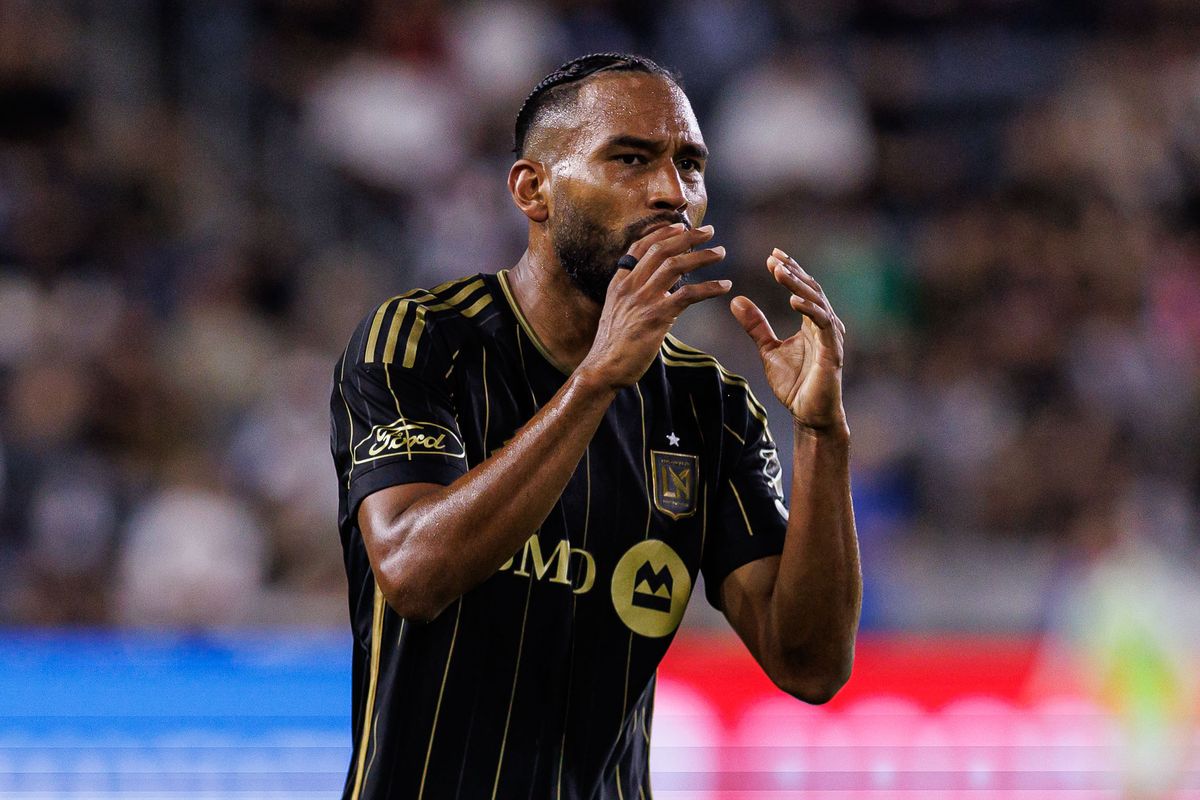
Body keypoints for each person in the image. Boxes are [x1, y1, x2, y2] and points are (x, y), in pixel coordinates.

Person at [329, 52, 861, 800]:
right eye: (631, 158)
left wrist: (822, 436)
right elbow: (414, 573)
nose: (672, 192)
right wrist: (596, 380)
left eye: (691, 166)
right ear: (533, 189)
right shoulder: (421, 341)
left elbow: (809, 665)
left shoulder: (710, 405)